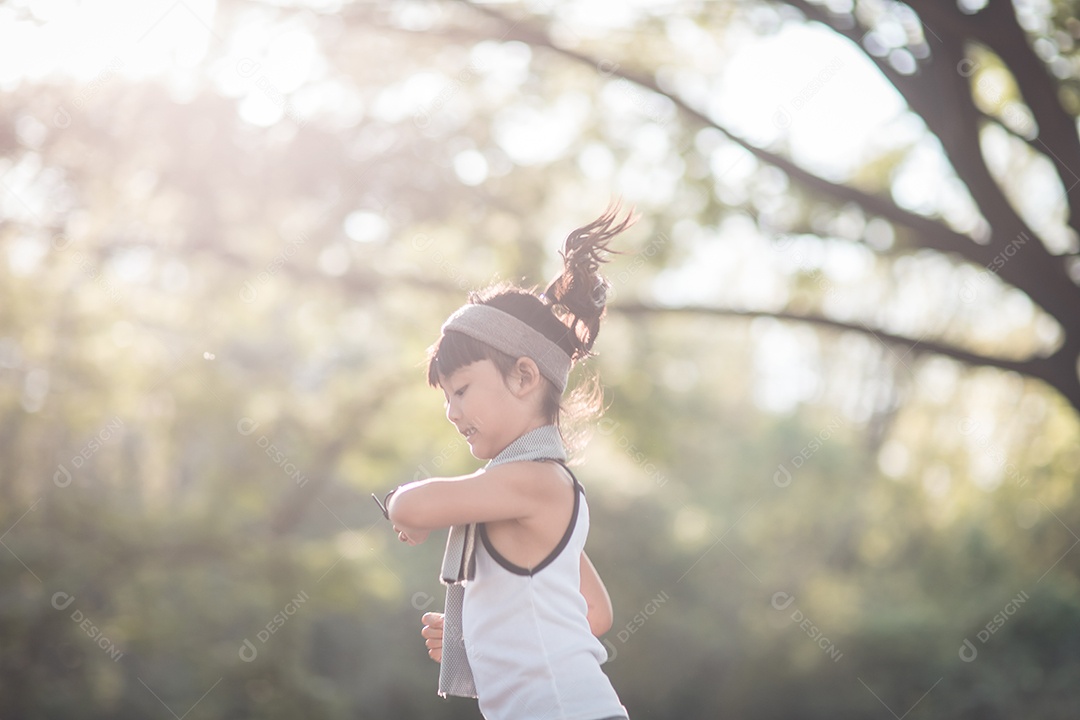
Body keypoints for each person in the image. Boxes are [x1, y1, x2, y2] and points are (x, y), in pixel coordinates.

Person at [385, 204, 636, 720]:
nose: (452, 412)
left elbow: (411, 506)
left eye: (461, 390)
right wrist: (482, 629)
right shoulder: (533, 495)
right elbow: (595, 613)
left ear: (524, 377)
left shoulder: (530, 481)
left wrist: (400, 508)